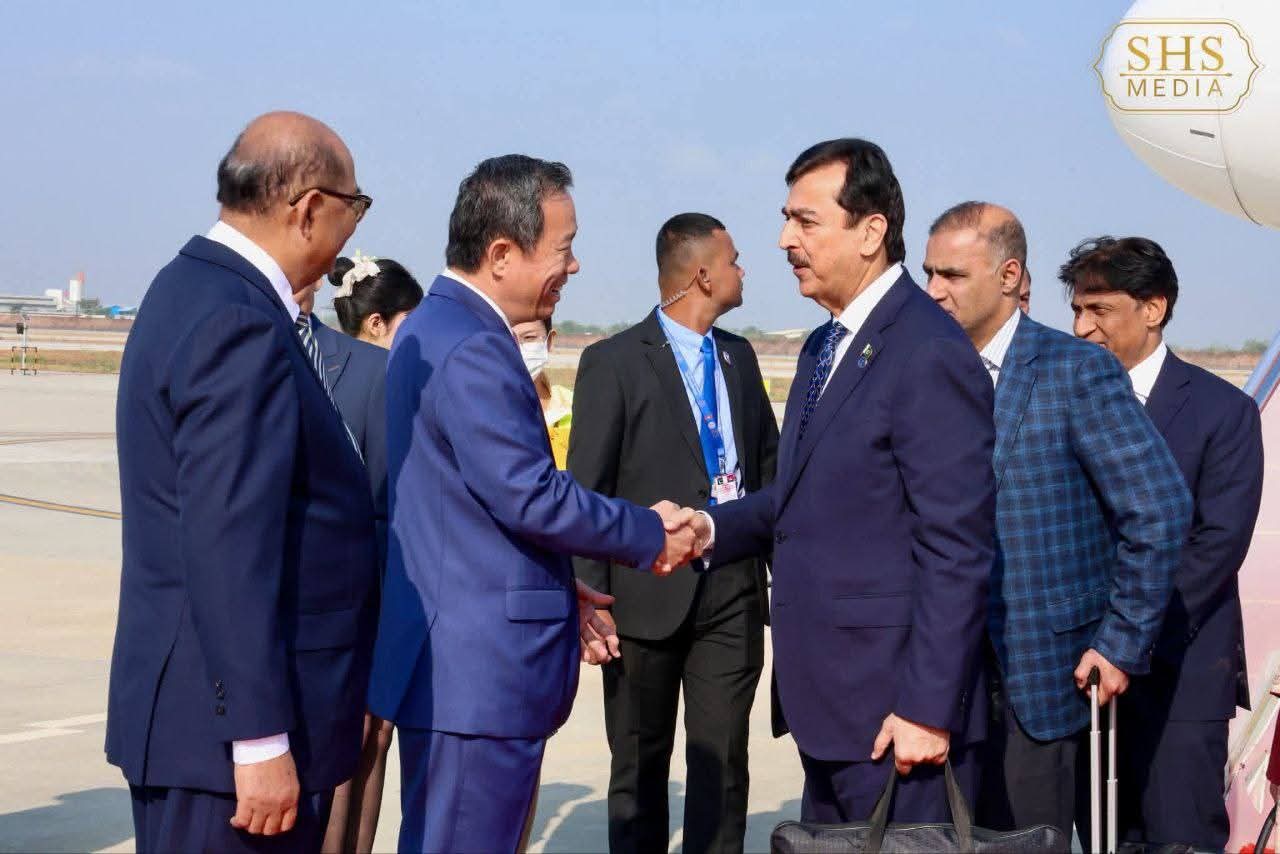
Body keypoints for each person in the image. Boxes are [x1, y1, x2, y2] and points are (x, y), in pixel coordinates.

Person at [366, 154, 704, 853]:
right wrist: (649, 532)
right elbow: (530, 494)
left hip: (458, 663)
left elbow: (466, 511)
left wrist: (556, 585)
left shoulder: (437, 327)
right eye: (564, 248)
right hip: (477, 677)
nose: (574, 266)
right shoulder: (472, 346)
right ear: (500, 254)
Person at [687, 139, 997, 824]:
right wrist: (708, 527)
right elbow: (807, 497)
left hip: (897, 720)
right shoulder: (824, 346)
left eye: (806, 221)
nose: (784, 240)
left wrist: (927, 709)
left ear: (870, 231)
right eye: (786, 220)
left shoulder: (927, 350)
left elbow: (958, 546)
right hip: (831, 709)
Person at [106, 111, 379, 852]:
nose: (352, 228)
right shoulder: (239, 321)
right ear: (309, 208)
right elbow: (228, 542)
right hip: (227, 750)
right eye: (354, 207)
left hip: (203, 729)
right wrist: (259, 739)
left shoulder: (191, 285)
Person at [921, 203, 1192, 846]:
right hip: (939, 679)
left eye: (952, 275)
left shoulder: (1076, 369)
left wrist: (1120, 641)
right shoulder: (921, 371)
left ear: (1010, 275)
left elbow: (1158, 508)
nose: (933, 290)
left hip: (1042, 677)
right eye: (928, 273)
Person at [569, 213, 779, 853]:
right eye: (734, 260)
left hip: (731, 593)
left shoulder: (740, 357)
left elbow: (769, 472)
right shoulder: (612, 362)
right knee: (639, 769)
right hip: (641, 600)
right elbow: (588, 491)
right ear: (703, 274)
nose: (744, 270)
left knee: (724, 766)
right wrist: (591, 600)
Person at [1064, 235, 1263, 850]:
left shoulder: (1222, 411)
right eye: (1077, 310)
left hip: (1181, 669)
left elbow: (1217, 544)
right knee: (1103, 836)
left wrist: (1125, 638)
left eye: (1099, 310)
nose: (1082, 328)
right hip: (1080, 677)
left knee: (1179, 836)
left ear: (1153, 309)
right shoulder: (1061, 404)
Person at [310, 255, 423, 854]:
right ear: (377, 323)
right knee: (368, 740)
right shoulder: (383, 375)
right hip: (374, 585)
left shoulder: (318, 362)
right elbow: (394, 494)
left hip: (323, 592)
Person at [513, 317, 574, 468]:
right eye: (506, 338)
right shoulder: (477, 409)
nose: (517, 348)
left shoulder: (576, 407)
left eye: (529, 338)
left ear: (549, 341)